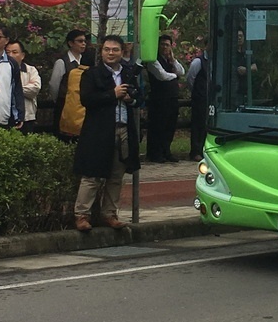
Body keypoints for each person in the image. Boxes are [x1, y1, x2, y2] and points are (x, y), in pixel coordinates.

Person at [72, 35, 140, 232]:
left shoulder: (130, 73)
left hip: (124, 128)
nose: (111, 53)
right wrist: (113, 94)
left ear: (122, 52)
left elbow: (140, 97)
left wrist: (130, 99)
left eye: (115, 50)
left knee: (117, 174)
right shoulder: (92, 74)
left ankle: (109, 213)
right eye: (107, 49)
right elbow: (87, 99)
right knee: (92, 175)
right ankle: (81, 215)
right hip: (99, 130)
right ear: (101, 52)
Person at [145, 34, 184, 162]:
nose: (164, 47)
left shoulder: (169, 60)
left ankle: (166, 151)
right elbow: (162, 76)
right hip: (159, 99)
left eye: (167, 45)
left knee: (170, 125)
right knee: (158, 126)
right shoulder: (153, 60)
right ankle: (155, 153)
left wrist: (173, 60)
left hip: (172, 98)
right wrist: (174, 75)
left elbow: (181, 71)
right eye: (162, 44)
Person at [49, 29, 88, 135]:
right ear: (71, 43)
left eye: (84, 41)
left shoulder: (86, 60)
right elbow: (54, 85)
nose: (83, 44)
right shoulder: (62, 62)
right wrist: (58, 100)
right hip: (65, 104)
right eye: (80, 41)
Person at [6, 39, 41, 134]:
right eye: (7, 52)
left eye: (14, 52)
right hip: (6, 116)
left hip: (27, 117)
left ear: (22, 55)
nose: (10, 55)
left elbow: (35, 89)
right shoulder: (1, 70)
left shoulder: (30, 70)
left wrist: (14, 88)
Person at [185, 50, 209, 161]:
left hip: (211, 99)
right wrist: (197, 92)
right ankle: (195, 151)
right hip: (200, 98)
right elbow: (190, 79)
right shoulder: (198, 62)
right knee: (198, 125)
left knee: (207, 125)